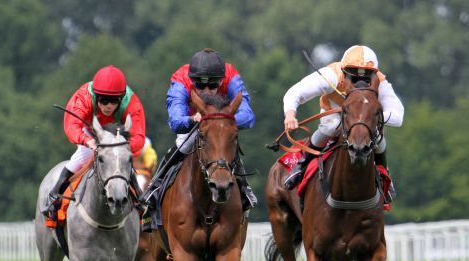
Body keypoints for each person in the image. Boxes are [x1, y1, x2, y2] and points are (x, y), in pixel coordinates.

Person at [142, 48, 257, 211]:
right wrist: (191, 119)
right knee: (183, 144)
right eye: (200, 86)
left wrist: (222, 122)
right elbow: (175, 121)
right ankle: (155, 188)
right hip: (194, 125)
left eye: (212, 85)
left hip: (220, 125)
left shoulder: (231, 75)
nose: (206, 92)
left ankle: (245, 190)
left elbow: (248, 115)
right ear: (192, 81)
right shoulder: (180, 80)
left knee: (227, 142)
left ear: (221, 81)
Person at [282, 45, 404, 195]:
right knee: (332, 126)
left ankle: (384, 175)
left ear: (374, 75)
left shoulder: (380, 81)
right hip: (334, 113)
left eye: (366, 78)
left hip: (364, 119)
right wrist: (290, 114)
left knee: (377, 136)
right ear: (344, 72)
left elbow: (398, 116)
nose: (361, 82)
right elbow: (295, 93)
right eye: (354, 77)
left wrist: (370, 116)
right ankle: (300, 166)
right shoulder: (331, 75)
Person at [41, 65, 146, 220]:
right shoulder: (84, 97)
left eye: (113, 101)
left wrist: (122, 148)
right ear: (96, 96)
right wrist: (87, 140)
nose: (108, 106)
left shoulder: (131, 102)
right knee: (85, 154)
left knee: (120, 159)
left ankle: (141, 200)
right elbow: (71, 125)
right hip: (90, 131)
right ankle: (54, 195)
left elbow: (138, 136)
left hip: (116, 135)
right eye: (103, 101)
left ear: (121, 98)